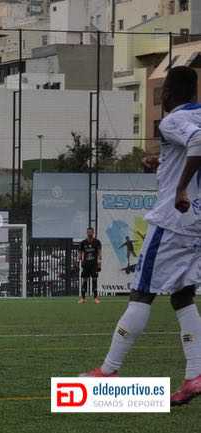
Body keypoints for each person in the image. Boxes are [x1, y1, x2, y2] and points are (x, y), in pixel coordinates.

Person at [80, 66, 201, 407]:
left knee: (141, 292)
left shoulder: (173, 120)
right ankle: (195, 375)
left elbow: (197, 142)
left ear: (167, 94)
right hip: (197, 223)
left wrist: (180, 187)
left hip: (172, 221)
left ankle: (109, 369)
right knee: (183, 295)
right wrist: (163, 164)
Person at [78, 227, 102, 304]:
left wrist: (99, 263)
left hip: (94, 265)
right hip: (86, 264)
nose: (89, 233)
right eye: (88, 232)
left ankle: (95, 298)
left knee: (94, 280)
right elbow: (80, 252)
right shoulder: (83, 242)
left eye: (91, 232)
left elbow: (99, 253)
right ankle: (83, 298)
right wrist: (80, 258)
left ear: (93, 233)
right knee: (84, 280)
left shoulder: (97, 242)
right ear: (86, 233)